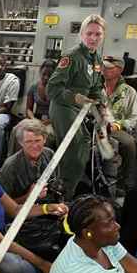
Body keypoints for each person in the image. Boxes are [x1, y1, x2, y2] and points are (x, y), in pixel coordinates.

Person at [47, 14, 107, 199]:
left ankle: (68, 188)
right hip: (63, 107)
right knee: (75, 149)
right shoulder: (72, 57)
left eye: (98, 34)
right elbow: (52, 88)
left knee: (84, 145)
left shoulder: (96, 59)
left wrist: (101, 106)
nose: (93, 38)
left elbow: (96, 87)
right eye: (89, 33)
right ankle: (63, 193)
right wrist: (76, 98)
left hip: (80, 109)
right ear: (82, 35)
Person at [102, 55, 137, 191]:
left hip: (116, 128)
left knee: (129, 144)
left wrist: (118, 125)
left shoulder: (129, 92)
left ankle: (123, 183)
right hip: (94, 125)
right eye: (104, 67)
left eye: (109, 68)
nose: (104, 70)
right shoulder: (95, 88)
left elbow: (133, 118)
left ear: (119, 70)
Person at [0, 119, 54, 203]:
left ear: (45, 139)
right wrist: (29, 196)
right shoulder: (10, 166)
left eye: (38, 140)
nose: (34, 146)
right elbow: (3, 204)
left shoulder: (49, 154)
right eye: (29, 142)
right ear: (21, 143)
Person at [21, 59, 57, 152]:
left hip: (51, 121)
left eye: (49, 75)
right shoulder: (34, 87)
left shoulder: (58, 90)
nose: (46, 77)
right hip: (36, 119)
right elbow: (28, 109)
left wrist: (45, 123)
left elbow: (59, 113)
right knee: (18, 129)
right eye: (44, 74)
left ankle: (44, 160)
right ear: (40, 71)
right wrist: (33, 119)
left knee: (48, 135)